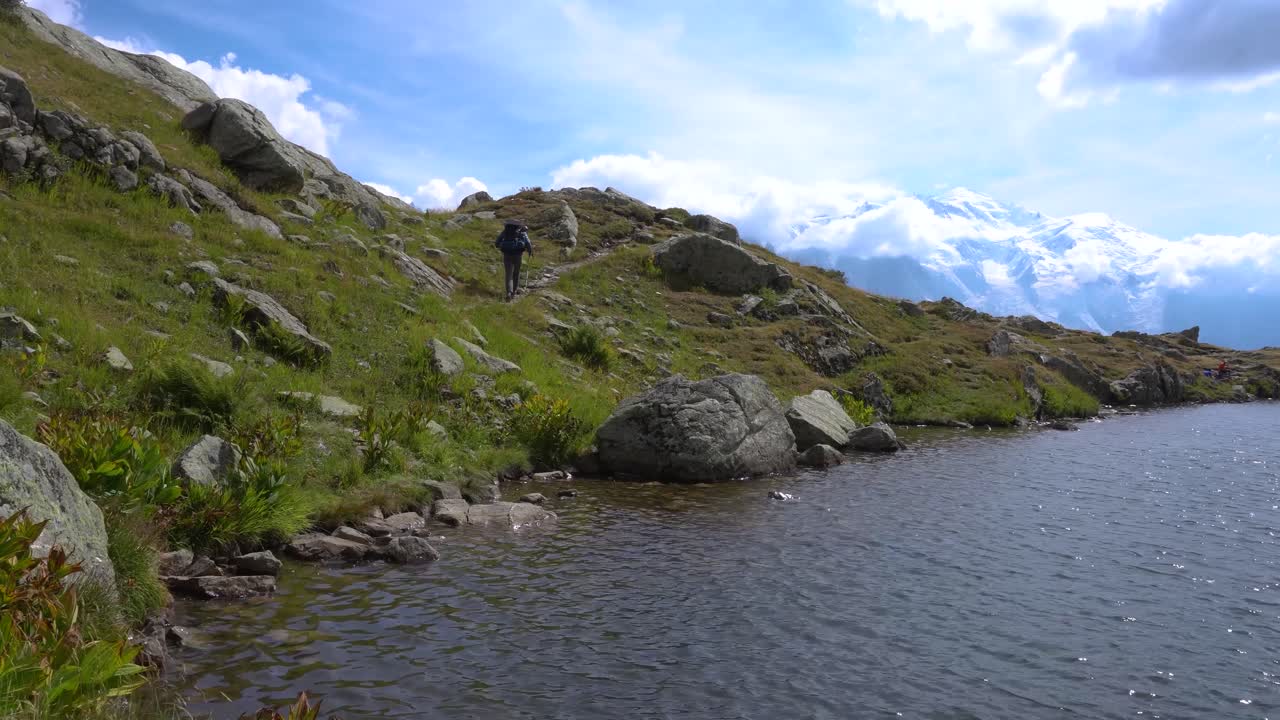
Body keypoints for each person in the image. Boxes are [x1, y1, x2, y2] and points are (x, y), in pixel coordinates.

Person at [494, 220, 533, 301]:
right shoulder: (522, 232)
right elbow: (528, 243)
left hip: (507, 255)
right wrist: (530, 251)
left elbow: (497, 243)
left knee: (508, 274)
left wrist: (501, 246)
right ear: (518, 226)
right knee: (516, 273)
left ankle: (509, 292)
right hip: (518, 255)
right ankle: (514, 292)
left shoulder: (505, 231)